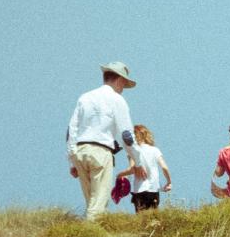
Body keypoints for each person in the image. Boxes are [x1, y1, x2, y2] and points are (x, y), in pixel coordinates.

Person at [66, 62, 143, 220]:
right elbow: (127, 136)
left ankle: (87, 234)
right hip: (100, 152)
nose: (123, 89)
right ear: (120, 80)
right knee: (99, 203)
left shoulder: (85, 97)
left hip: (80, 151)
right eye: (124, 84)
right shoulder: (117, 100)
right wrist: (138, 160)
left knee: (91, 201)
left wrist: (72, 160)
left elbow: (71, 130)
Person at [127, 124, 172, 211]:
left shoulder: (132, 152)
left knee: (141, 220)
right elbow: (164, 167)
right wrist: (169, 182)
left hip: (138, 190)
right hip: (153, 190)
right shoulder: (155, 150)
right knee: (153, 219)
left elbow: (131, 170)